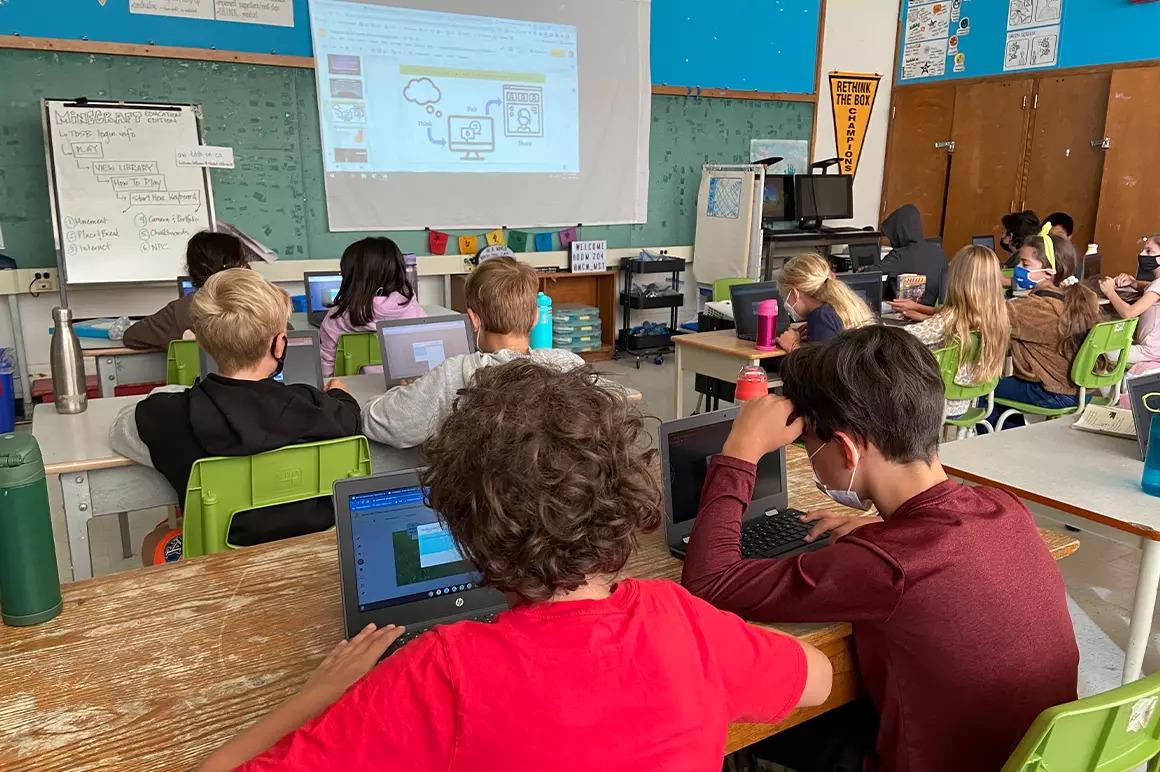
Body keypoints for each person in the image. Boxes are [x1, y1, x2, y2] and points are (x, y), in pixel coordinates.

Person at [199, 361, 834, 771]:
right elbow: (817, 679)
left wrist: (317, 697)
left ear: (462, 524)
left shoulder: (440, 674)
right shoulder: (677, 618)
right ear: (628, 499)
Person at [682, 326, 1078, 772]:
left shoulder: (886, 565)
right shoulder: (1002, 507)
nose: (808, 455)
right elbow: (934, 550)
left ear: (847, 449)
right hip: (1031, 759)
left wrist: (741, 451)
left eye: (808, 445)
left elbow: (709, 581)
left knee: (759, 726)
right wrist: (882, 529)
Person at [110, 269, 360, 562]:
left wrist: (170, 393)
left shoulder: (167, 415)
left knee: (158, 536)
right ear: (280, 343)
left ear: (201, 343)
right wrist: (338, 393)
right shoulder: (320, 408)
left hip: (218, 564)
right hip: (315, 555)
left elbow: (120, 429)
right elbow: (351, 413)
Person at [361, 256, 585, 447]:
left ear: (473, 319)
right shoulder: (570, 365)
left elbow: (381, 422)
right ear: (536, 317)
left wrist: (404, 393)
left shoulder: (458, 374)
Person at [992, 229, 1100, 425]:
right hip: (1078, 389)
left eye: (1025, 264)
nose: (1018, 268)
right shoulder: (1078, 297)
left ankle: (1005, 440)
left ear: (1049, 272)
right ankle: (1012, 434)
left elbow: (980, 318)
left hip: (1051, 391)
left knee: (985, 391)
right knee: (1005, 388)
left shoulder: (1033, 307)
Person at [902, 244, 1009, 419]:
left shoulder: (950, 319)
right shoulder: (997, 318)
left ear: (958, 280)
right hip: (967, 403)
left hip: (933, 408)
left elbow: (902, 337)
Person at [122, 231, 249, 350]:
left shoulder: (181, 311)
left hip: (205, 373)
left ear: (192, 271)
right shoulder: (264, 301)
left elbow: (131, 336)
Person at [320, 237, 425, 377]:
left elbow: (325, 373)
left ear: (352, 277)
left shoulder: (335, 319)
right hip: (405, 392)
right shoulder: (414, 312)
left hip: (351, 395)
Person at [775, 253, 874, 353]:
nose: (785, 301)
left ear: (795, 293)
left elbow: (820, 367)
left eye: (785, 296)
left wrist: (792, 346)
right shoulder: (845, 304)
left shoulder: (821, 317)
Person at [878, 204, 948, 307]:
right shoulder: (939, 253)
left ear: (898, 232)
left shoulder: (899, 255)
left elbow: (870, 274)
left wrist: (864, 269)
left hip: (904, 315)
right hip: (933, 313)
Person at [1100, 252, 1160, 365]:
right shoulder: (1156, 284)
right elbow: (1151, 286)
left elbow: (1128, 313)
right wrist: (1133, 282)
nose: (1142, 253)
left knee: (1100, 350)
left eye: (1148, 251)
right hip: (1154, 350)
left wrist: (1110, 292)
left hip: (1149, 352)